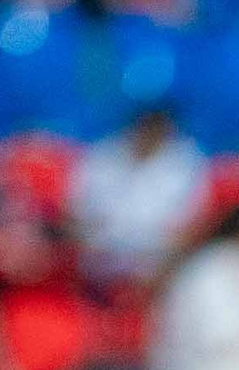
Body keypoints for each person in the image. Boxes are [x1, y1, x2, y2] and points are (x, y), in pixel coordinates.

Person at [65, 105, 210, 288]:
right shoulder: (101, 157)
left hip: (157, 270)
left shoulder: (187, 164)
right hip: (97, 264)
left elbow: (192, 229)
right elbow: (72, 218)